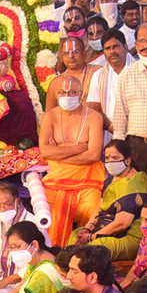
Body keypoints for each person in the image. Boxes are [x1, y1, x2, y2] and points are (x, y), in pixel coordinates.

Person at [39, 73, 106, 246]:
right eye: (62, 92)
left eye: (72, 92)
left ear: (81, 93)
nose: (67, 96)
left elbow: (93, 155)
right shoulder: (49, 117)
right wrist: (79, 148)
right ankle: (54, 253)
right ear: (56, 95)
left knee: (94, 208)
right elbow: (45, 152)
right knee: (48, 210)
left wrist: (59, 152)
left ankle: (86, 252)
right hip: (56, 179)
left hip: (88, 180)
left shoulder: (93, 117)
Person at [71, 139, 147, 261]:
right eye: (107, 158)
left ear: (128, 160)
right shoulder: (113, 178)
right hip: (103, 230)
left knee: (89, 252)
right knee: (75, 236)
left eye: (115, 158)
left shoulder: (134, 184)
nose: (110, 162)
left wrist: (92, 237)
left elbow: (122, 224)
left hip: (127, 237)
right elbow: (100, 206)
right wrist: (88, 228)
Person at [113, 22, 147, 175]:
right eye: (141, 41)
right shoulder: (126, 75)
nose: (146, 45)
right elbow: (120, 116)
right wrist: (119, 149)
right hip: (136, 146)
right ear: (135, 44)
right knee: (138, 194)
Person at [87, 29, 131, 142]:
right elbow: (94, 109)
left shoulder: (140, 70)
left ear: (125, 48)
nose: (112, 51)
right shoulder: (98, 76)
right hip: (109, 132)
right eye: (107, 48)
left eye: (116, 46)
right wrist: (112, 127)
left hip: (137, 132)